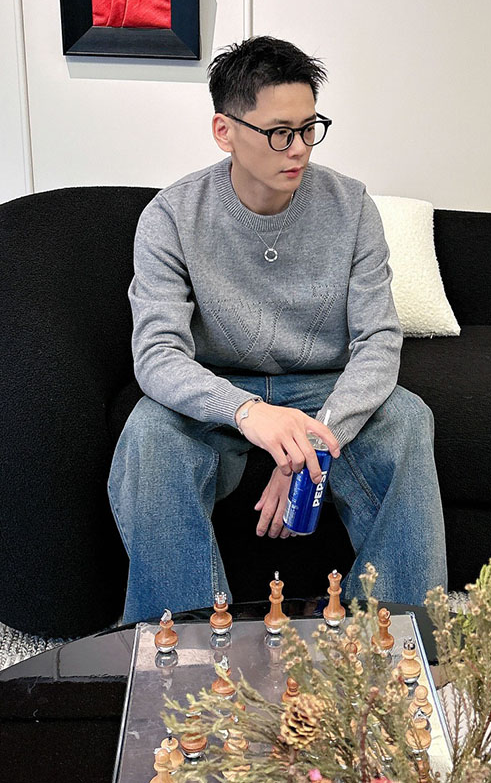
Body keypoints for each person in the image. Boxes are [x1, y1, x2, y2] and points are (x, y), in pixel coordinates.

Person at [108, 36, 447, 623]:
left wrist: (311, 444)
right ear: (224, 131)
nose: (299, 150)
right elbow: (158, 353)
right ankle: (183, 644)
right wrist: (248, 413)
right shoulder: (171, 215)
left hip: (322, 386)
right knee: (148, 433)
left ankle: (398, 639)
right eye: (280, 133)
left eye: (310, 129)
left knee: (408, 418)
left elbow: (378, 340)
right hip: (220, 388)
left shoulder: (352, 206)